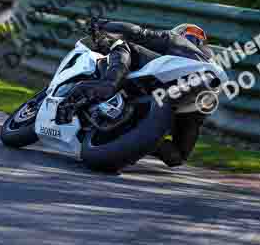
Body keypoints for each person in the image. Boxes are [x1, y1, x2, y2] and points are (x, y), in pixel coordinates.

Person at [58, 20, 211, 167]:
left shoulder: (176, 40)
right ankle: (137, 136)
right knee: (177, 156)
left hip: (174, 82)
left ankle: (103, 86)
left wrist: (103, 24)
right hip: (200, 88)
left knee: (124, 45)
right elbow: (179, 155)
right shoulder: (207, 61)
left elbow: (137, 32)